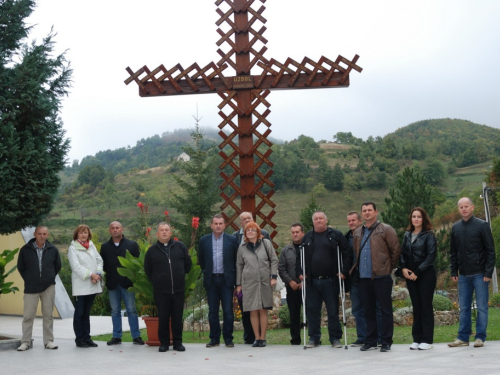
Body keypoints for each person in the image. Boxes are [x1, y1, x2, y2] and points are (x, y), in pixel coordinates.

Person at [296, 211, 352, 348]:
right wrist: (300, 273)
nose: (319, 221)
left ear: (326, 220)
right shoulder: (307, 237)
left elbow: (347, 253)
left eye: (321, 218)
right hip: (312, 281)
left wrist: (344, 271)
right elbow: (299, 258)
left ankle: (335, 338)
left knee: (332, 310)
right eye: (316, 219)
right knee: (313, 311)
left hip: (331, 280)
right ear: (313, 221)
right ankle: (314, 338)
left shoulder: (335, 235)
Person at [353, 202, 401, 353]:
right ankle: (371, 340)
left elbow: (395, 251)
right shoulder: (357, 232)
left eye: (369, 210)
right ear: (362, 214)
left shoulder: (386, 229)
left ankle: (386, 341)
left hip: (382, 277)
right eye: (364, 210)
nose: (367, 213)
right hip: (364, 277)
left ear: (376, 212)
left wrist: (387, 267)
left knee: (385, 310)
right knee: (368, 310)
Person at [448, 197, 496, 348]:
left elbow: (490, 251)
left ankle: (480, 337)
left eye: (466, 206)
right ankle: (463, 337)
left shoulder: (482, 226)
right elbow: (453, 252)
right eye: (461, 207)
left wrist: (488, 272)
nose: (464, 209)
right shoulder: (455, 228)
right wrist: (453, 270)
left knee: (482, 307)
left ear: (472, 207)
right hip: (463, 275)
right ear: (459, 209)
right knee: (464, 307)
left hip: (480, 274)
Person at [144, 222, 192, 352]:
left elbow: (188, 265)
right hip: (161, 291)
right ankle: (164, 343)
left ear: (171, 233)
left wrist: (180, 276)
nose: (164, 232)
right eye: (162, 230)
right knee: (163, 318)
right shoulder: (152, 251)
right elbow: (148, 269)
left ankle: (178, 343)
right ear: (157, 233)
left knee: (177, 318)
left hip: (178, 290)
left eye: (167, 230)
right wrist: (158, 280)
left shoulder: (180, 247)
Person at [17, 226, 61, 351]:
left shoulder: (53, 249)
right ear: (34, 234)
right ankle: (25, 342)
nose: (42, 236)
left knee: (48, 315)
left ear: (48, 235)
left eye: (44, 234)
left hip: (48, 287)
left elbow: (57, 266)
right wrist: (30, 279)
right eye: (40, 233)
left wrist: (48, 277)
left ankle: (48, 341)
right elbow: (21, 267)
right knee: (28, 316)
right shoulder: (25, 250)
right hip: (31, 288)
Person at [100, 221, 144, 346]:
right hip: (112, 284)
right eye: (112, 228)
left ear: (122, 229)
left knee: (131, 310)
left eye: (117, 228)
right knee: (115, 311)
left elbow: (137, 263)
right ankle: (116, 336)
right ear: (109, 231)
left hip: (128, 284)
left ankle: (136, 336)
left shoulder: (132, 245)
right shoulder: (105, 247)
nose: (115, 230)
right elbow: (101, 264)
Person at [198, 214, 239, 348]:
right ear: (211, 225)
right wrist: (206, 272)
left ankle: (228, 338)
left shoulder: (232, 240)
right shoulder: (204, 240)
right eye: (215, 223)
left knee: (228, 310)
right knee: (213, 311)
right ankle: (214, 338)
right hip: (211, 279)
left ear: (224, 225)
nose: (218, 226)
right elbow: (202, 260)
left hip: (226, 279)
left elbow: (236, 260)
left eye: (220, 223)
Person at [236, 221, 278, 347]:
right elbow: (239, 265)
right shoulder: (242, 247)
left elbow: (274, 260)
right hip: (249, 282)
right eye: (247, 230)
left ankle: (263, 338)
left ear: (257, 232)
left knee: (263, 309)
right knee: (253, 310)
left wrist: (273, 276)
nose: (250, 232)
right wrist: (238, 284)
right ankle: (256, 338)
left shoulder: (266, 244)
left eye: (252, 230)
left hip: (265, 281)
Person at [400, 207, 437, 350]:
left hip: (425, 275)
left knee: (425, 306)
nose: (416, 219)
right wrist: (403, 268)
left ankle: (427, 340)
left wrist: (418, 271)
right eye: (414, 216)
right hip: (410, 275)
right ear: (411, 218)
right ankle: (417, 338)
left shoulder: (429, 235)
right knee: (416, 306)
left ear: (424, 219)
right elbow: (402, 252)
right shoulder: (407, 235)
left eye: (419, 217)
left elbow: (431, 256)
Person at [67, 224, 103, 348]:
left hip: (92, 284)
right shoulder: (73, 248)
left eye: (85, 233)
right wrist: (91, 275)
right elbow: (76, 267)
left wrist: (97, 274)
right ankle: (79, 338)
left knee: (86, 313)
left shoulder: (91, 245)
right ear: (76, 234)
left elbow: (99, 260)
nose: (83, 235)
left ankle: (87, 338)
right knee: (79, 313)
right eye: (81, 233)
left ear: (89, 234)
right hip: (81, 285)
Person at [278, 223, 304, 345]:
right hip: (292, 288)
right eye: (293, 232)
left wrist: (305, 281)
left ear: (302, 233)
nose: (295, 234)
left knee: (311, 313)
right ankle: (295, 339)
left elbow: (313, 265)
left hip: (307, 287)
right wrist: (290, 281)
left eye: (297, 232)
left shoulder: (308, 247)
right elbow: (281, 268)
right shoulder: (286, 250)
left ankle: (314, 338)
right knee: (294, 314)